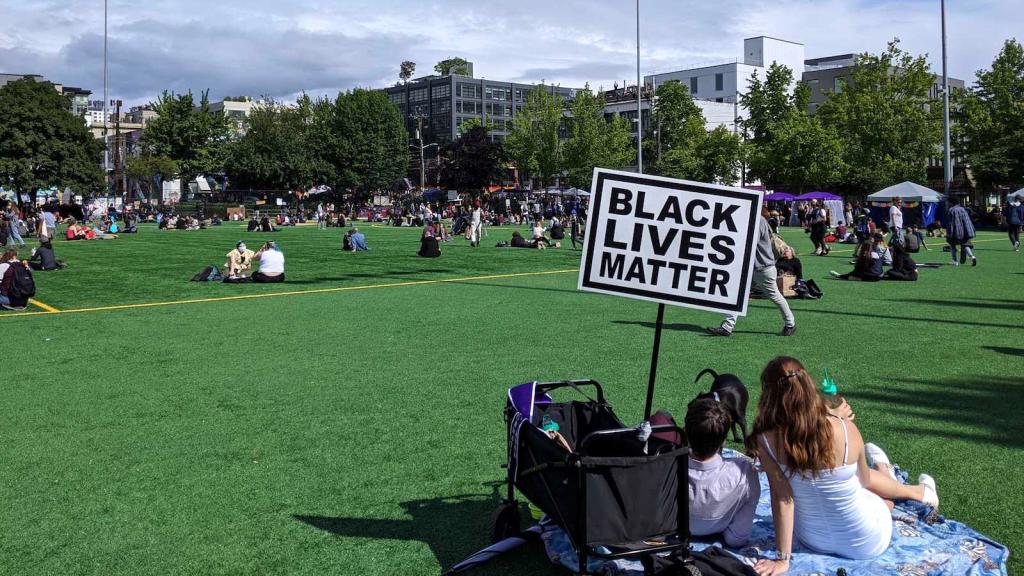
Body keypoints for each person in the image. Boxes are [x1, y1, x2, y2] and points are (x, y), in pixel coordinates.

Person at [748, 357, 938, 574]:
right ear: (808, 386)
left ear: (768, 395)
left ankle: (888, 484)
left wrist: (782, 560)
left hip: (812, 539)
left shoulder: (765, 440)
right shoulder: (846, 429)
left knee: (856, 491)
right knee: (864, 486)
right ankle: (910, 489)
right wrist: (834, 417)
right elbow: (864, 480)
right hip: (867, 543)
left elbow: (783, 499)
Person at [708, 206, 796, 337]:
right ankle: (727, 327)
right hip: (753, 268)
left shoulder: (759, 220)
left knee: (775, 297)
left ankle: (790, 324)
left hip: (763, 268)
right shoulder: (755, 220)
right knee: (736, 296)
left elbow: (750, 242)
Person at [685, 395, 759, 547]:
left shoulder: (667, 467)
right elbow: (737, 538)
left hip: (674, 530)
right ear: (724, 440)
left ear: (686, 432)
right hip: (726, 533)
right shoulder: (744, 472)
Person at [945, 197, 977, 266]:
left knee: (952, 245)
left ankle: (954, 261)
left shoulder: (951, 210)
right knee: (965, 244)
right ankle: (972, 257)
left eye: (949, 202)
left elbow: (950, 223)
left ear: (951, 203)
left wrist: (948, 233)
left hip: (955, 232)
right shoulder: (962, 209)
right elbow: (967, 221)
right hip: (965, 231)